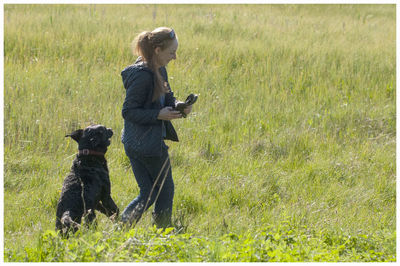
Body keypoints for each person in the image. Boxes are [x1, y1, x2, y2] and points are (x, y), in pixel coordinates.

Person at [120, 27, 192, 228]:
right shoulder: (143, 76)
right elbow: (128, 111)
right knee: (165, 190)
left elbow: (168, 98)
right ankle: (162, 232)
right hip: (147, 145)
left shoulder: (159, 69)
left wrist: (180, 107)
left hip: (134, 142)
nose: (175, 57)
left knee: (149, 192)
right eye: (172, 52)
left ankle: (121, 228)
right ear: (158, 50)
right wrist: (157, 114)